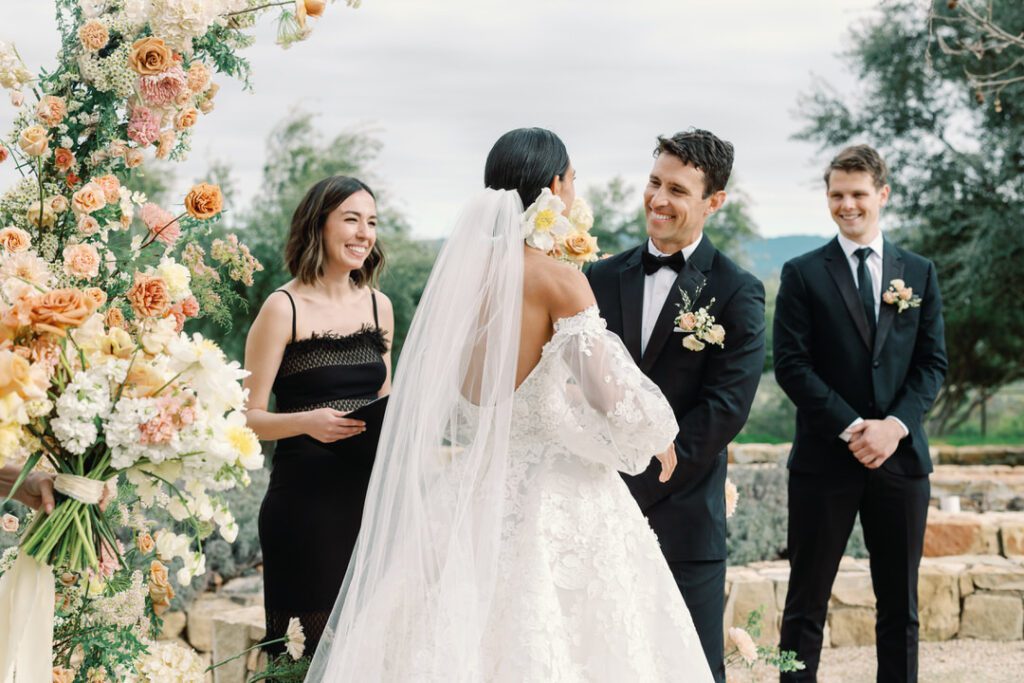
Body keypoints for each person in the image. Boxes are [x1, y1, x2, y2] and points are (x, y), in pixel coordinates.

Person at [305, 128, 713, 682]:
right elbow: (609, 394)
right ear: (552, 187)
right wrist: (655, 434)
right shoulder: (559, 281)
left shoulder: (460, 285)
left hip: (470, 494)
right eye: (571, 180)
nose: (573, 191)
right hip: (553, 495)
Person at [586, 128, 766, 682]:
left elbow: (725, 408)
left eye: (678, 190)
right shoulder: (598, 276)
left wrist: (637, 478)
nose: (658, 200)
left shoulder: (737, 291)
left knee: (689, 668)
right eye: (654, 183)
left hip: (685, 516)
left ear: (714, 202)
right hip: (595, 509)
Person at [774, 145, 947, 682]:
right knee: (805, 605)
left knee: (900, 609)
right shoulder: (802, 273)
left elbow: (932, 364)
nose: (846, 205)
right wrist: (854, 429)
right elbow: (791, 365)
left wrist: (893, 428)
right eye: (836, 195)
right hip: (825, 461)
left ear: (882, 195)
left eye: (857, 195)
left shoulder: (918, 272)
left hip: (900, 463)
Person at [244, 176, 394, 656]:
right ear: (319, 225)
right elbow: (245, 418)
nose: (363, 233)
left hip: (370, 505)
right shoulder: (282, 307)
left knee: (367, 651)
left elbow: (383, 398)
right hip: (305, 507)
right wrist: (307, 422)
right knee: (308, 658)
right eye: (350, 219)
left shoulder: (380, 305)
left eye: (370, 222)